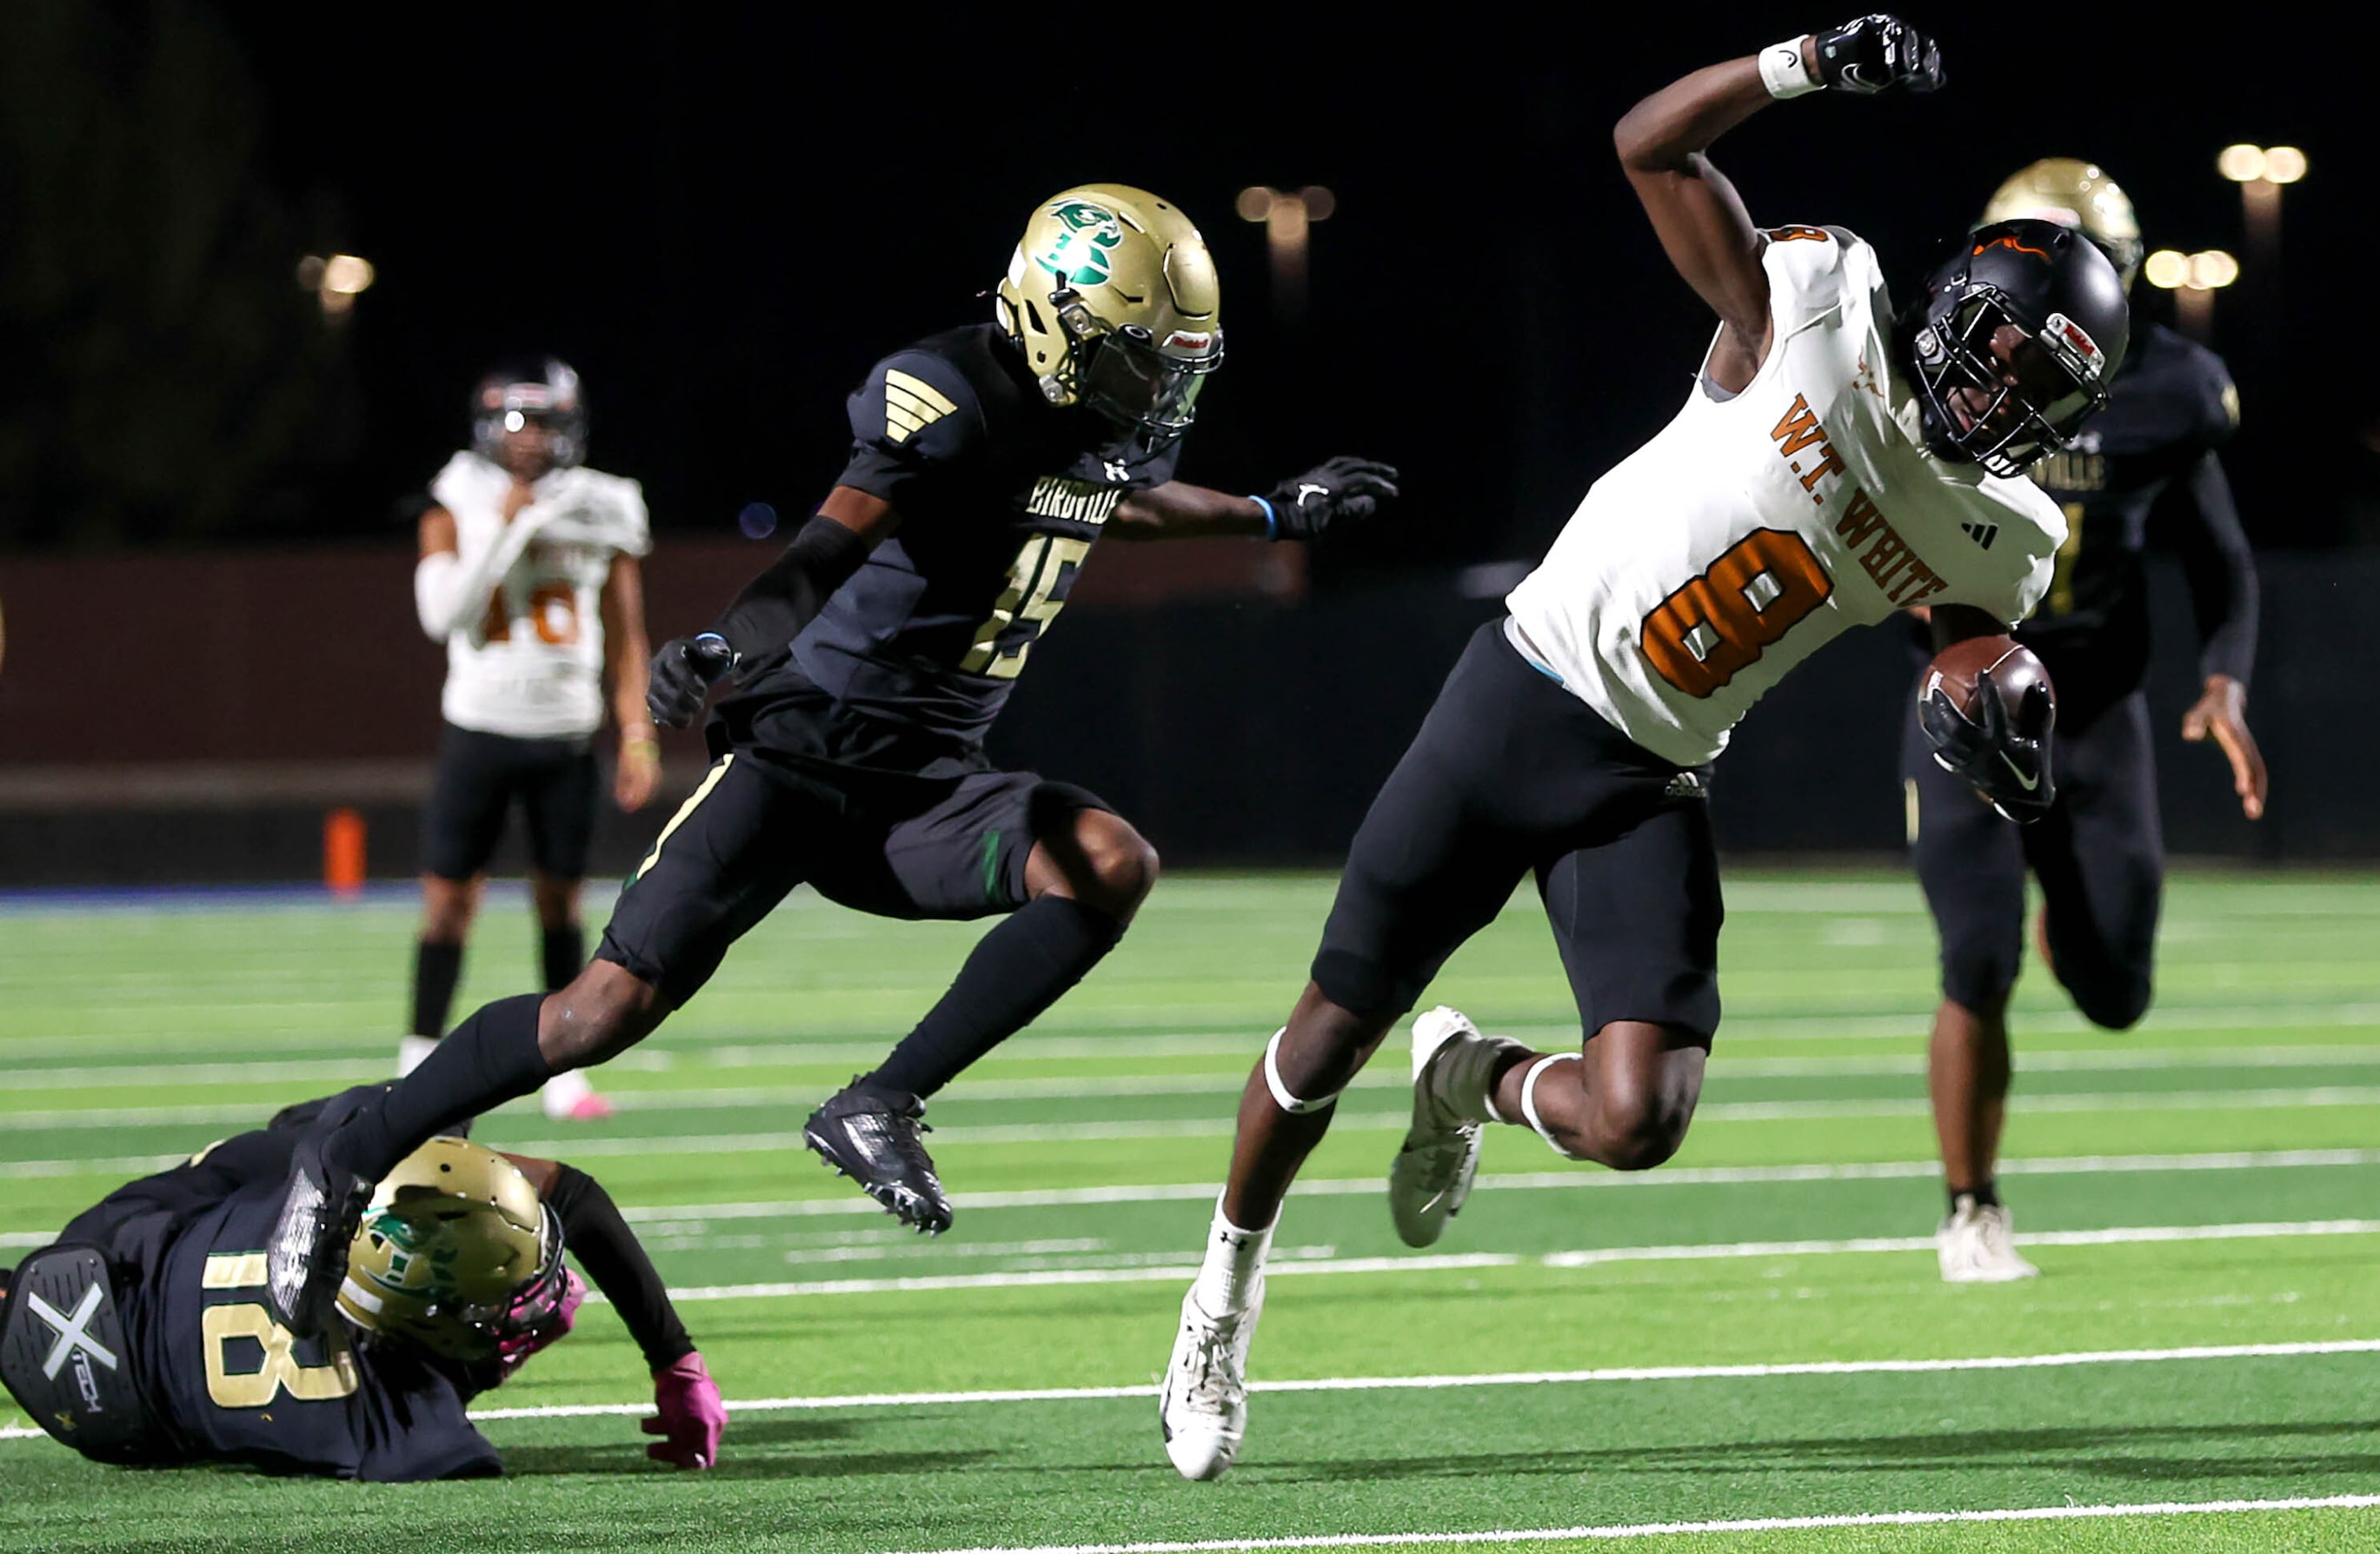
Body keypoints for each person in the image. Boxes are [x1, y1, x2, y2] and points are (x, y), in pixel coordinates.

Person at [1156, 16, 2132, 1482]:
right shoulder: (1812, 305)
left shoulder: (2006, 532)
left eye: (2030, 392)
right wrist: (1800, 66)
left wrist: (1997, 715)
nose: (1994, 399)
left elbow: (1949, 636)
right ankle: (1218, 1301)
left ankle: (1470, 1078)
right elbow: (1644, 142)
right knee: (1317, 1042)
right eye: (1993, 356)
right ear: (1954, 302)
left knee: (1638, 1118)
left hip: (1651, 769)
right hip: (1519, 695)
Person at [259, 184, 1399, 1335]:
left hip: (927, 783)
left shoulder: (1076, 436)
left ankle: (881, 1100)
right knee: (598, 1010)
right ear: (1055, 324)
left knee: (1106, 862)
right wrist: (720, 643)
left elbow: (1108, 501)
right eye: (1136, 360)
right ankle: (346, 1151)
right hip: (804, 758)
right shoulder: (948, 395)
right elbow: (819, 553)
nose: (1155, 390)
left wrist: (1268, 512)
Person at [1908, 161, 2264, 1282]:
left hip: (2097, 709)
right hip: (1966, 700)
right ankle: (1970, 1208)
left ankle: (2072, 915)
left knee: (2116, 994)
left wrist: (2226, 681)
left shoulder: (2170, 389)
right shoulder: (1937, 376)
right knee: (1975, 958)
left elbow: (2221, 558)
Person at [0, 1090, 723, 1479]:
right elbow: (577, 1194)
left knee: (331, 1136)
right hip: (136, 1424)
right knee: (383, 1121)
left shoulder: (401, 1414)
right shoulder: (416, 1433)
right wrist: (674, 1358)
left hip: (115, 1271)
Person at [408, 359, 661, 1121]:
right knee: (449, 904)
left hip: (566, 737)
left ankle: (563, 1069)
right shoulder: (454, 503)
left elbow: (626, 633)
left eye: (545, 423)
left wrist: (638, 732)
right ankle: (416, 1061)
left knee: (561, 906)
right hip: (480, 730)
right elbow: (441, 615)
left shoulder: (602, 506)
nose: (529, 440)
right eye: (516, 423)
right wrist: (510, 523)